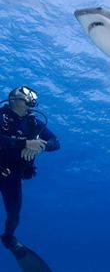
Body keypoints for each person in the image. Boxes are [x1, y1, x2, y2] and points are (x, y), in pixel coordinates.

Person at [0, 86, 60, 251]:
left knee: (14, 214)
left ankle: (7, 238)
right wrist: (25, 143)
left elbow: (56, 142)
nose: (31, 96)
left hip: (12, 175)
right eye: (26, 92)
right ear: (13, 97)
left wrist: (40, 146)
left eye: (33, 94)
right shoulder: (1, 115)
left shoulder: (33, 123)